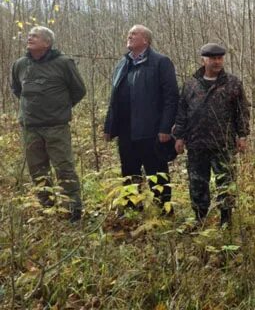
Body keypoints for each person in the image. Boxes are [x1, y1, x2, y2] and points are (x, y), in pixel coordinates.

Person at [11, 26, 86, 222]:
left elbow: (79, 90)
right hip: (30, 128)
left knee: (64, 168)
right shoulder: (20, 65)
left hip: (56, 127)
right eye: (29, 36)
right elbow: (17, 90)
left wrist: (59, 108)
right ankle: (46, 209)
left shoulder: (63, 63)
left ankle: (73, 211)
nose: (29, 38)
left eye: (34, 36)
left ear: (47, 43)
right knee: (37, 170)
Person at [172, 43, 250, 227]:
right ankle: (199, 218)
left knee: (226, 182)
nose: (217, 62)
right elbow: (182, 112)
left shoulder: (233, 83)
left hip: (223, 143)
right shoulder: (191, 84)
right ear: (203, 60)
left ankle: (226, 219)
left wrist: (242, 135)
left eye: (220, 58)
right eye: (213, 58)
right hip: (196, 144)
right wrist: (179, 136)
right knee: (197, 183)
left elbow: (242, 111)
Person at [104, 25, 179, 213]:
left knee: (157, 172)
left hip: (151, 130)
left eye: (134, 34)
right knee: (129, 171)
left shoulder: (160, 62)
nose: (129, 36)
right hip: (125, 130)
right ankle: (132, 209)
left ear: (146, 40)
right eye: (129, 33)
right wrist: (109, 126)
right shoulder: (123, 63)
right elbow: (115, 98)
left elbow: (171, 97)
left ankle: (164, 209)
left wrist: (165, 128)